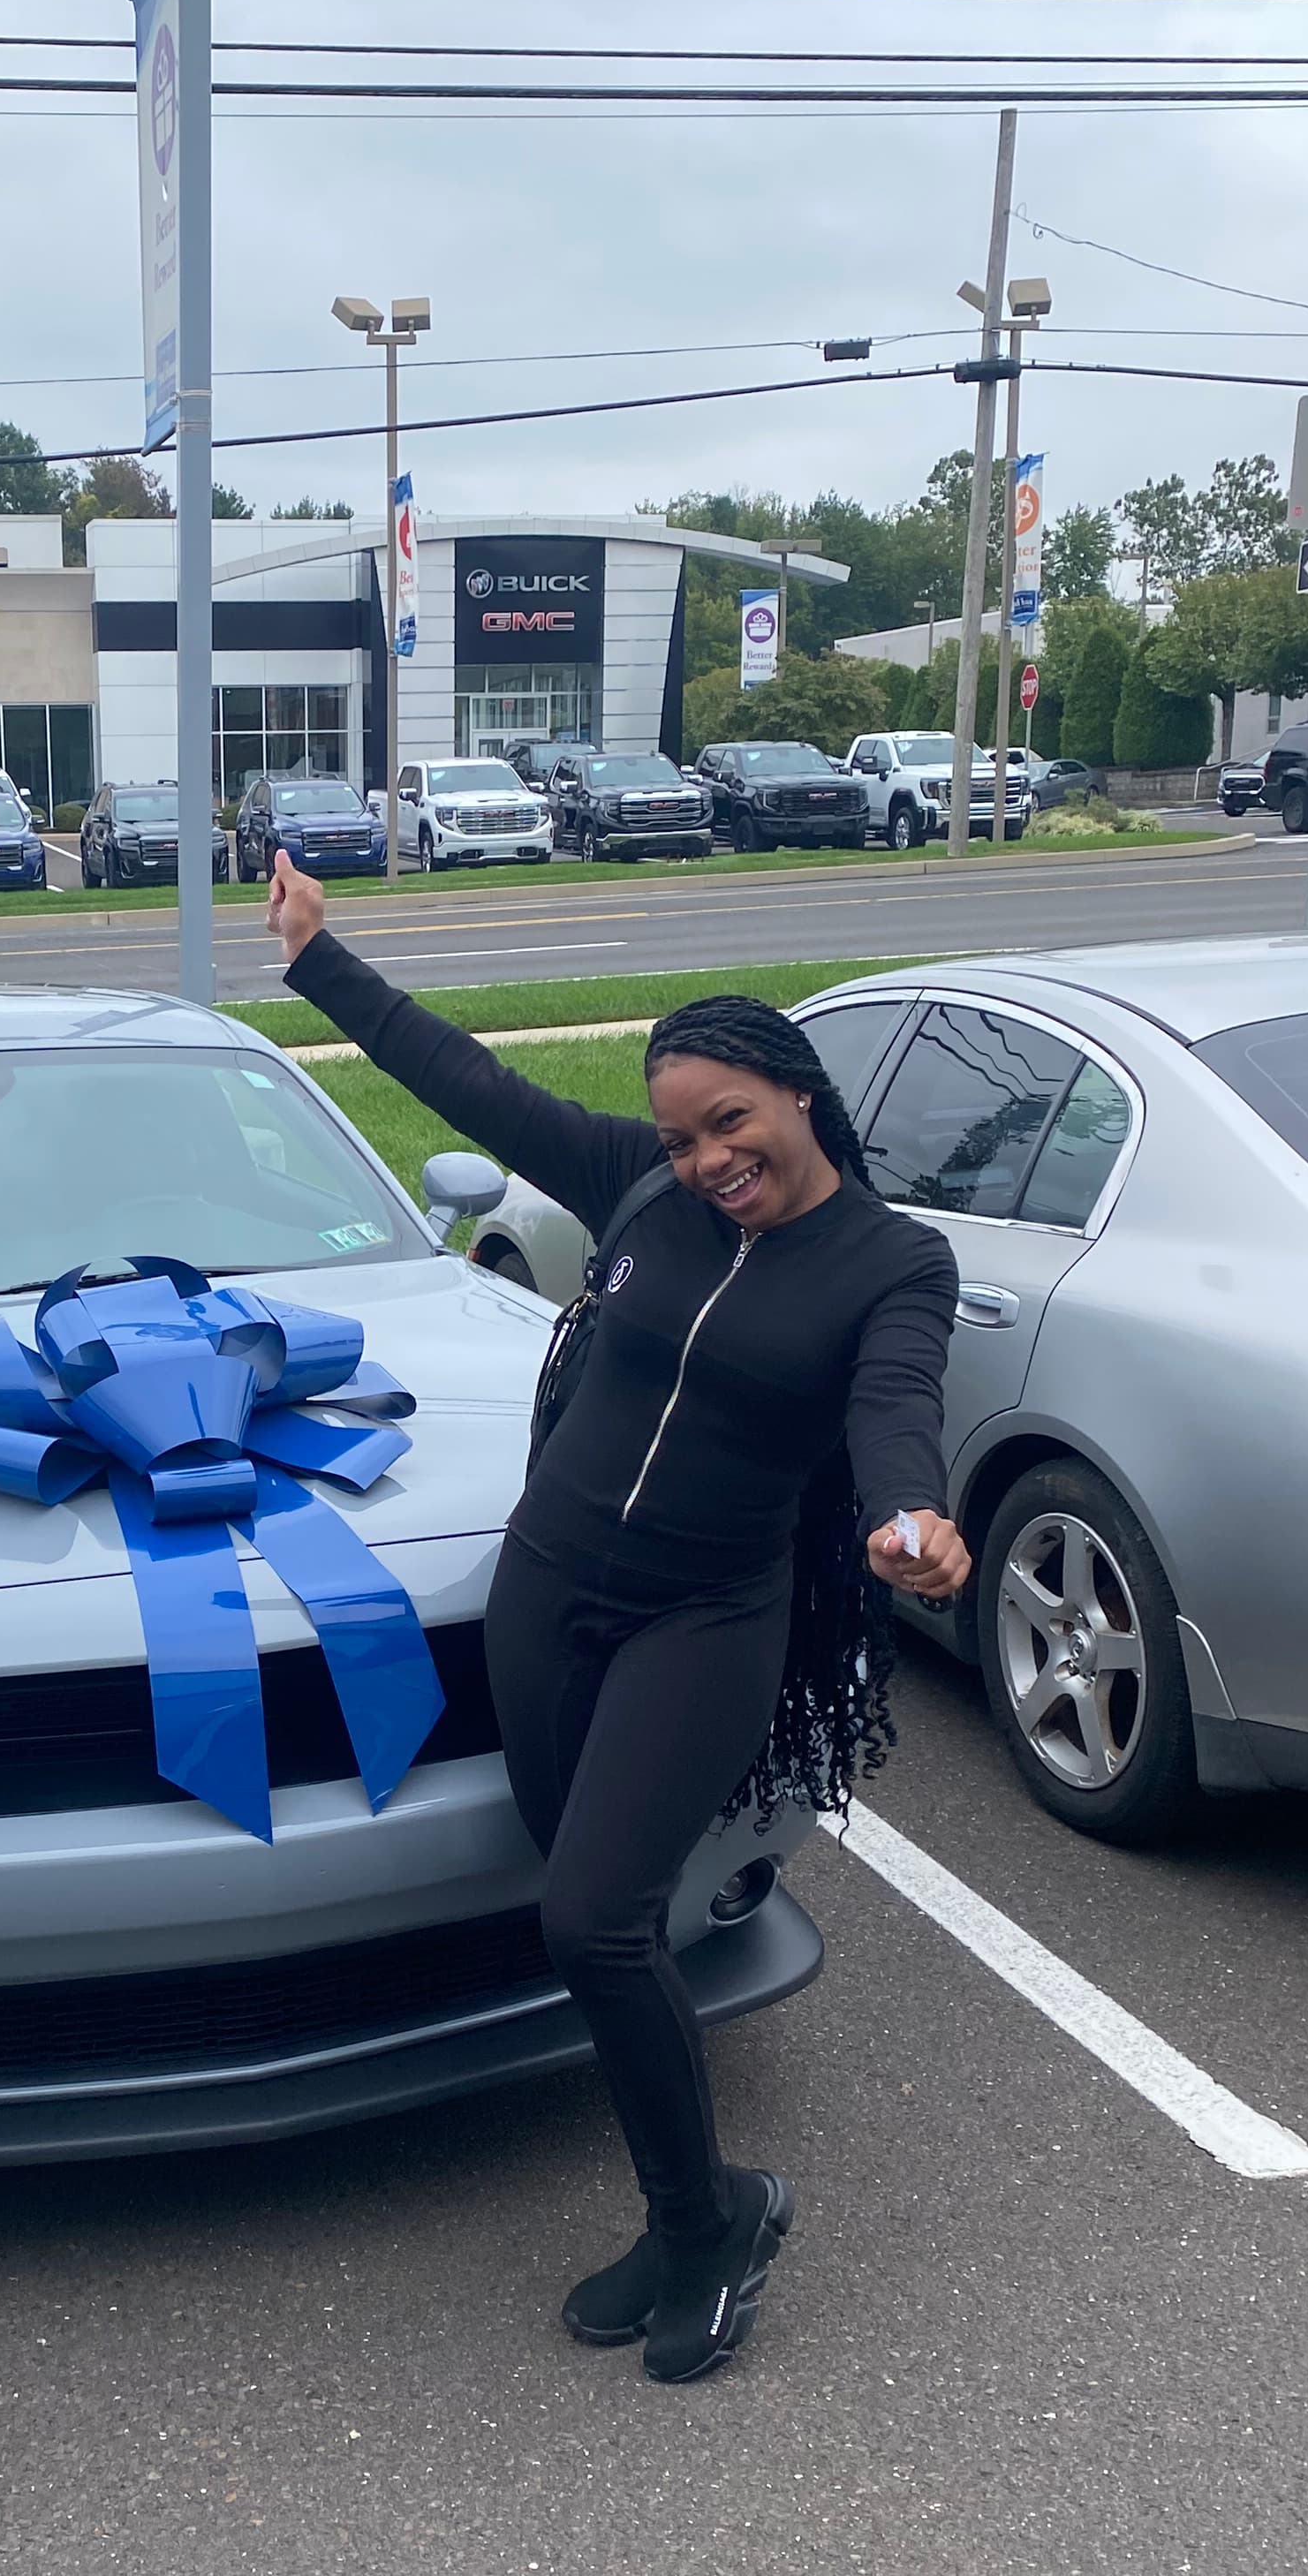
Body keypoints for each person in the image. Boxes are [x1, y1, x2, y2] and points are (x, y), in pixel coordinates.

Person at [266, 852, 972, 2383]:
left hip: (704, 1619)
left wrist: (911, 1521)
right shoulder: (644, 1190)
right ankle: (698, 2209)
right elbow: (470, 1087)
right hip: (548, 1588)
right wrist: (323, 963)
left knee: (592, 1915)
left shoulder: (892, 1262)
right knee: (590, 1915)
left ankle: (706, 2223)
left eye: (733, 1122)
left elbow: (898, 1406)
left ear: (797, 1094)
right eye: (683, 1133)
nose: (711, 1157)